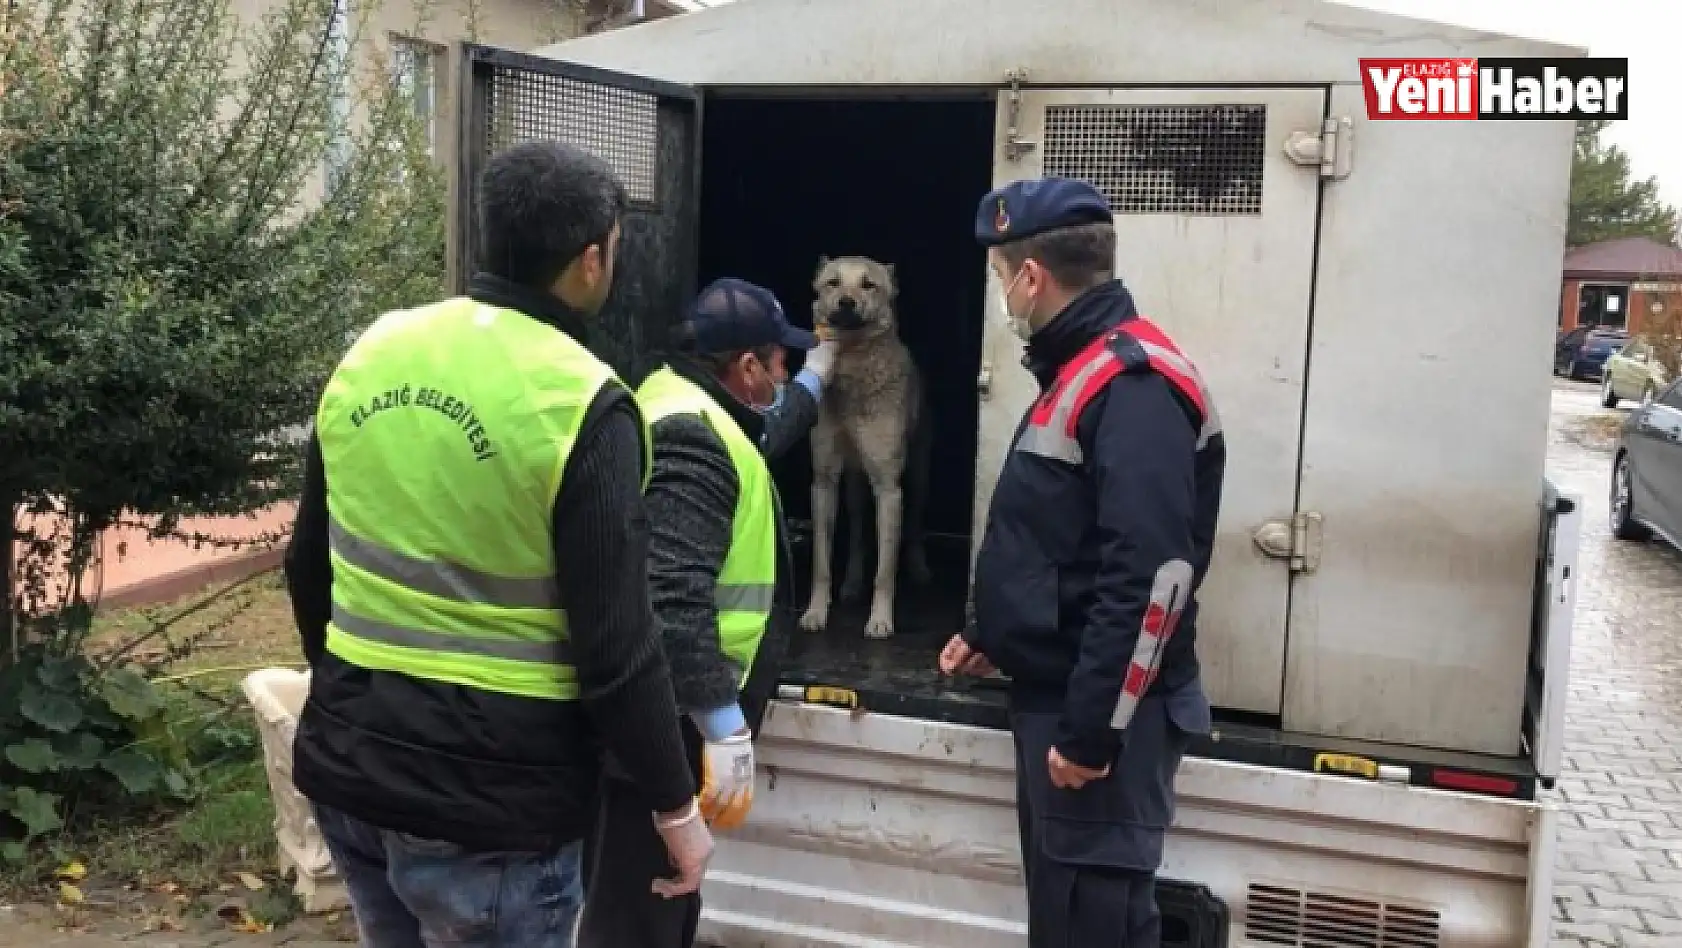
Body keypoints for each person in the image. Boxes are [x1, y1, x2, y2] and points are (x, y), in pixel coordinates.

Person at [282, 140, 710, 948]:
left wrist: (351, 703)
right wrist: (675, 805)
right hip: (494, 813)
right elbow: (618, 646)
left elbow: (308, 564)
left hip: (352, 773)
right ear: (591, 260)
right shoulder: (579, 400)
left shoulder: (374, 350)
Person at [938, 177, 1226, 948]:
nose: (1005, 295)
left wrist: (1093, 731)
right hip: (1062, 696)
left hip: (1099, 726)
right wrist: (993, 628)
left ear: (1030, 277)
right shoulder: (1080, 370)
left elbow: (1150, 583)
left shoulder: (1130, 384)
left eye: (1003, 277)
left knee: (1088, 928)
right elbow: (1066, 541)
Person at [576, 278, 837, 947]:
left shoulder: (677, 403)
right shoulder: (695, 439)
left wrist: (814, 383)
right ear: (748, 367)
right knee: (641, 918)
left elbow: (760, 433)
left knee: (656, 908)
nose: (784, 375)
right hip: (663, 725)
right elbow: (674, 600)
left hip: (659, 715)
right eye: (782, 364)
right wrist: (722, 725)